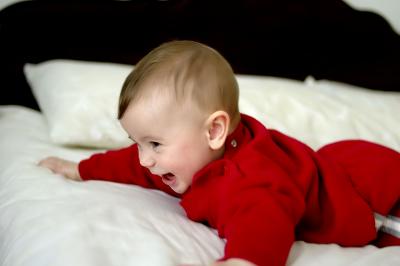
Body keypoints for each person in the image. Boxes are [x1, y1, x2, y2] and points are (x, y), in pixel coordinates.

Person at [39, 40, 400, 266]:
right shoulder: (182, 155)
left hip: (364, 190)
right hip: (325, 166)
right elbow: (129, 166)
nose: (145, 158)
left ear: (214, 131)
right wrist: (80, 169)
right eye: (138, 142)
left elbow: (263, 222)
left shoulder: (251, 179)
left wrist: (243, 260)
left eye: (154, 145)